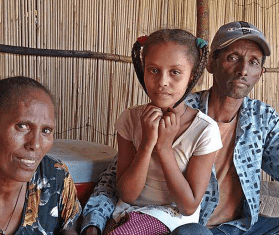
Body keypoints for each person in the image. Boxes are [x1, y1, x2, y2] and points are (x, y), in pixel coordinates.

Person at [81, 21, 279, 235]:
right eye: (232, 58)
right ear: (210, 64)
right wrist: (94, 222)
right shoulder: (171, 109)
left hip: (240, 226)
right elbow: (115, 179)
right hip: (192, 227)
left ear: (261, 72)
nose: (243, 70)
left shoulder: (263, 118)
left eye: (253, 62)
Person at [82, 29, 223, 235]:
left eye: (175, 72)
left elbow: (188, 206)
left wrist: (164, 148)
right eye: (153, 70)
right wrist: (147, 143)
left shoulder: (204, 130)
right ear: (142, 71)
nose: (162, 81)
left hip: (173, 219)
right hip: (127, 213)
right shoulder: (130, 119)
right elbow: (128, 195)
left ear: (192, 75)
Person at [0, 76, 81, 235]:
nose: (35, 144)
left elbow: (69, 227)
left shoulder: (54, 177)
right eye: (22, 126)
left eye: (46, 131)